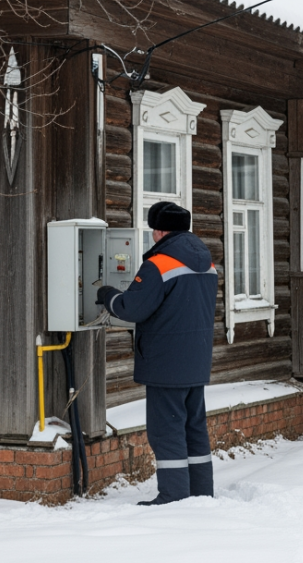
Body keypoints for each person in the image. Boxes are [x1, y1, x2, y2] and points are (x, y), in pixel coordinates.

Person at [96, 202, 217, 505]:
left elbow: (132, 308)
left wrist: (106, 295)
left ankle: (174, 496)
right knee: (194, 429)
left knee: (166, 431)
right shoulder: (205, 261)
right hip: (196, 360)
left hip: (166, 363)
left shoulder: (160, 264)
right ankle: (201, 493)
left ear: (160, 231)